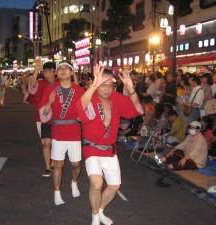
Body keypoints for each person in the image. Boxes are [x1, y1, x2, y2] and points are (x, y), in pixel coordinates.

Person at [76, 65, 143, 225]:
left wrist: (131, 89)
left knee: (114, 186)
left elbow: (135, 110)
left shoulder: (116, 98)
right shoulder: (90, 97)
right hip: (92, 148)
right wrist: (93, 86)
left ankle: (99, 211)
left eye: (109, 85)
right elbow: (79, 108)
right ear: (97, 84)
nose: (106, 89)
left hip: (110, 149)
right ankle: (94, 218)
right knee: (97, 183)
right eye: (102, 85)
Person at [39, 60, 85, 205]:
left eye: (67, 68)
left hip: (74, 131)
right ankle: (57, 192)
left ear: (72, 73)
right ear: (57, 73)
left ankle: (74, 181)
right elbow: (43, 114)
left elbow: (87, 111)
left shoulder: (80, 91)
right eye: (60, 68)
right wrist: (49, 103)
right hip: (58, 131)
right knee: (58, 164)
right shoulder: (50, 90)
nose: (63, 70)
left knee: (76, 164)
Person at [29, 59, 56, 177]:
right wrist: (36, 70)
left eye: (49, 71)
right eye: (45, 71)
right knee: (46, 143)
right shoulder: (41, 83)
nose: (47, 74)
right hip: (42, 118)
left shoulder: (61, 82)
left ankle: (54, 162)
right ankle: (47, 167)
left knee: (55, 143)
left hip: (59, 118)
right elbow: (32, 86)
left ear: (54, 72)